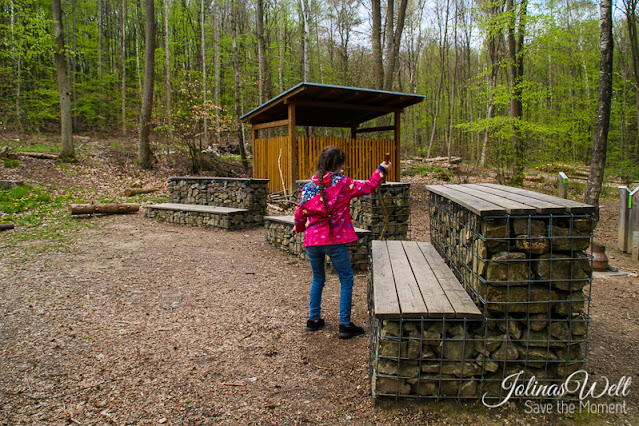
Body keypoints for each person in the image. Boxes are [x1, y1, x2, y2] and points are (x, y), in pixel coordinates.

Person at [293, 146, 391, 339]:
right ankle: (345, 324)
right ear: (339, 164)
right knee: (346, 280)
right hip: (335, 241)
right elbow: (370, 186)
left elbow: (299, 212)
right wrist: (382, 169)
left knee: (318, 278)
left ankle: (313, 320)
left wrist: (300, 227)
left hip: (312, 241)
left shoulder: (309, 187)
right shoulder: (344, 184)